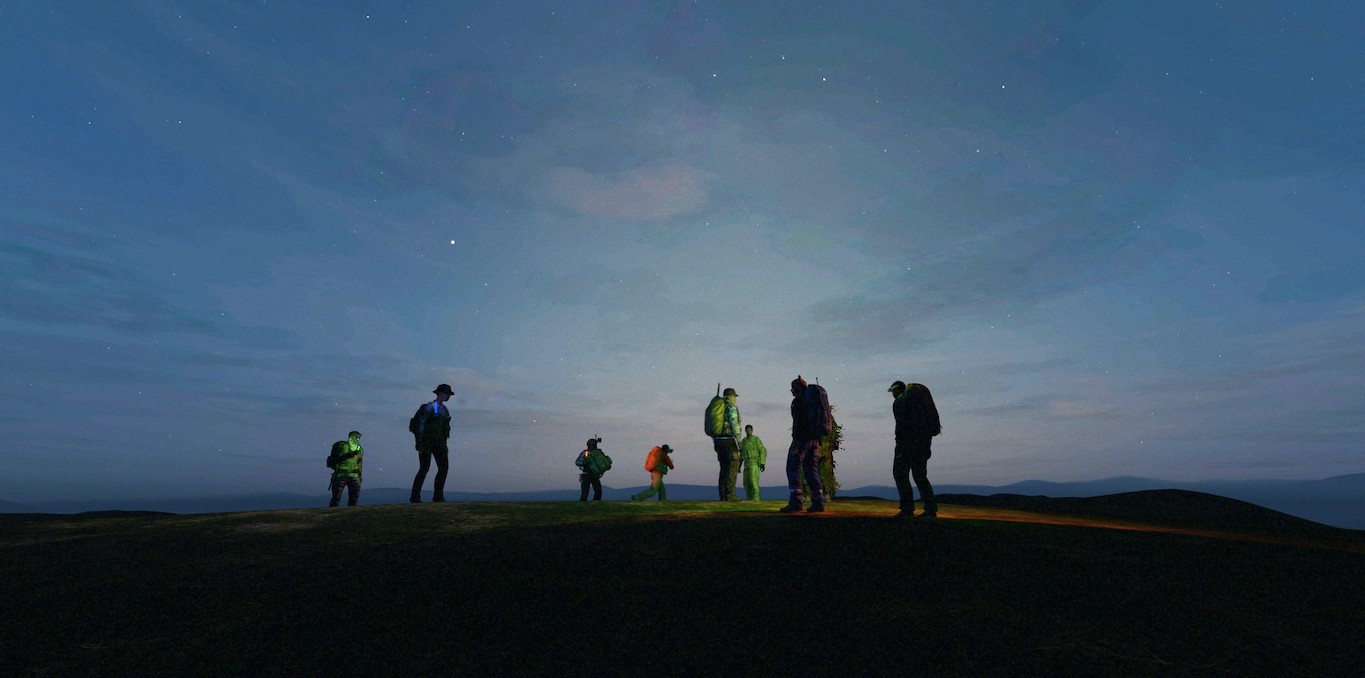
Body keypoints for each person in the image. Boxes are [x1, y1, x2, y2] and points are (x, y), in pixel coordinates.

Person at [889, 381, 940, 518]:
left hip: (906, 444)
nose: (892, 395)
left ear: (896, 390)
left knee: (900, 474)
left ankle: (907, 508)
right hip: (923, 442)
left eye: (892, 392)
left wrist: (900, 445)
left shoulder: (899, 403)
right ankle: (930, 508)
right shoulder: (919, 402)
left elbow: (901, 426)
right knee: (920, 475)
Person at [781, 376, 825, 513]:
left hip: (801, 440)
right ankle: (819, 502)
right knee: (811, 470)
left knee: (792, 468)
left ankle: (796, 501)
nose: (791, 390)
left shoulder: (798, 402)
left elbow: (799, 422)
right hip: (815, 440)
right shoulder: (812, 401)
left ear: (797, 388)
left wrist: (796, 439)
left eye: (793, 387)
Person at [410, 383, 454, 503]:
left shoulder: (444, 410)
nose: (448, 396)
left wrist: (444, 443)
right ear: (440, 393)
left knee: (443, 468)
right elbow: (420, 424)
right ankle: (415, 497)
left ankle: (438, 496)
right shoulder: (429, 407)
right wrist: (419, 441)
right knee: (424, 468)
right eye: (447, 394)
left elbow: (445, 428)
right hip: (427, 442)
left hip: (440, 442)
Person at [712, 387, 742, 501]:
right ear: (732, 397)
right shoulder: (730, 407)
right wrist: (739, 441)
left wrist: (715, 442)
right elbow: (734, 424)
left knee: (723, 469)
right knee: (732, 467)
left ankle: (723, 495)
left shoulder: (718, 409)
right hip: (729, 441)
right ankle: (730, 495)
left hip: (719, 441)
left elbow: (713, 428)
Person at [329, 430, 364, 507]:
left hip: (354, 475)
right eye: (356, 437)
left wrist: (359, 476)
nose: (357, 440)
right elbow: (340, 458)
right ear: (350, 438)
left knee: (354, 498)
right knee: (336, 498)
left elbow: (359, 463)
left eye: (358, 438)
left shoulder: (359, 449)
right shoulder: (344, 446)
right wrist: (351, 454)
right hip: (342, 474)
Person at [575, 437, 612, 502]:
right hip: (587, 474)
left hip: (594, 474)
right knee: (586, 492)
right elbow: (577, 462)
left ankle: (594, 504)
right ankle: (586, 504)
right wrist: (585, 462)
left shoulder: (595, 453)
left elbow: (577, 462)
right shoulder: (587, 453)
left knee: (597, 491)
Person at [739, 424, 767, 501]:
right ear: (745, 431)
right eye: (747, 430)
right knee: (746, 483)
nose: (748, 432)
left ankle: (756, 498)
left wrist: (762, 462)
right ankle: (749, 498)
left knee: (754, 482)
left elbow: (762, 450)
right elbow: (741, 454)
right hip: (746, 464)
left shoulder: (756, 440)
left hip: (754, 463)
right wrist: (739, 466)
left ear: (752, 430)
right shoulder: (744, 441)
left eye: (750, 430)